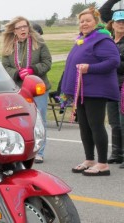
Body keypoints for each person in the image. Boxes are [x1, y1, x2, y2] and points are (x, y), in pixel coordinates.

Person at [61, 7, 120, 176]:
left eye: (88, 20)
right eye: (81, 21)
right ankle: (89, 159)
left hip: (96, 91)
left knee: (96, 125)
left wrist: (90, 68)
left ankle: (102, 164)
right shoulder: (82, 39)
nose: (84, 24)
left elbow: (113, 61)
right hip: (82, 92)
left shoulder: (102, 40)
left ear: (96, 22)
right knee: (85, 127)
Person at [1, 16, 52, 164]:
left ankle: (39, 152)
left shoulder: (39, 42)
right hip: (18, 88)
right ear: (14, 31)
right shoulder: (9, 46)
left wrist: (33, 69)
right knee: (19, 120)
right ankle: (20, 149)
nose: (23, 29)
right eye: (19, 27)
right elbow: (4, 66)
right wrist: (17, 73)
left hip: (38, 88)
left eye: (25, 26)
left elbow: (47, 62)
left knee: (39, 119)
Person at [100, 0, 124, 168]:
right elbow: (103, 10)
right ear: (112, 24)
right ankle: (117, 153)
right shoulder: (109, 42)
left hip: (123, 86)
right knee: (114, 122)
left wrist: (112, 63)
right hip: (111, 86)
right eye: (119, 22)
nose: (121, 25)